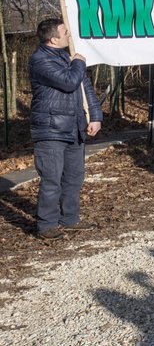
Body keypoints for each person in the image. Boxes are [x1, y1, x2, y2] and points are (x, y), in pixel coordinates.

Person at [29, 18, 102, 240]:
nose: (69, 34)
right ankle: (47, 226)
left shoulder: (67, 57)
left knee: (74, 177)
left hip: (74, 127)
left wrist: (95, 117)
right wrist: (79, 62)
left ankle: (69, 219)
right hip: (51, 129)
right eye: (65, 32)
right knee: (51, 179)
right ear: (53, 39)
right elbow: (69, 82)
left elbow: (84, 87)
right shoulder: (39, 61)